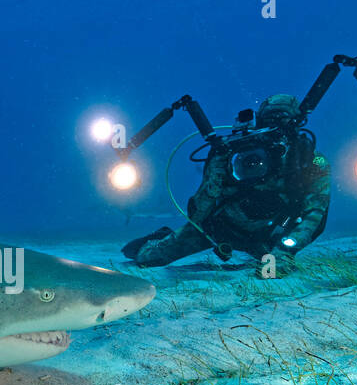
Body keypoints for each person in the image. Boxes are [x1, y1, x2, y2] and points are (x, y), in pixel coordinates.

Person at [121, 94, 330, 267]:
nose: (276, 125)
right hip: (219, 229)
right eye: (270, 118)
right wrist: (217, 169)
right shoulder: (233, 151)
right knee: (146, 258)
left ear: (296, 122)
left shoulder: (311, 160)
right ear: (259, 121)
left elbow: (315, 212)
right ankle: (161, 236)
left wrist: (285, 250)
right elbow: (199, 213)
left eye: (283, 118)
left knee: (272, 267)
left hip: (269, 235)